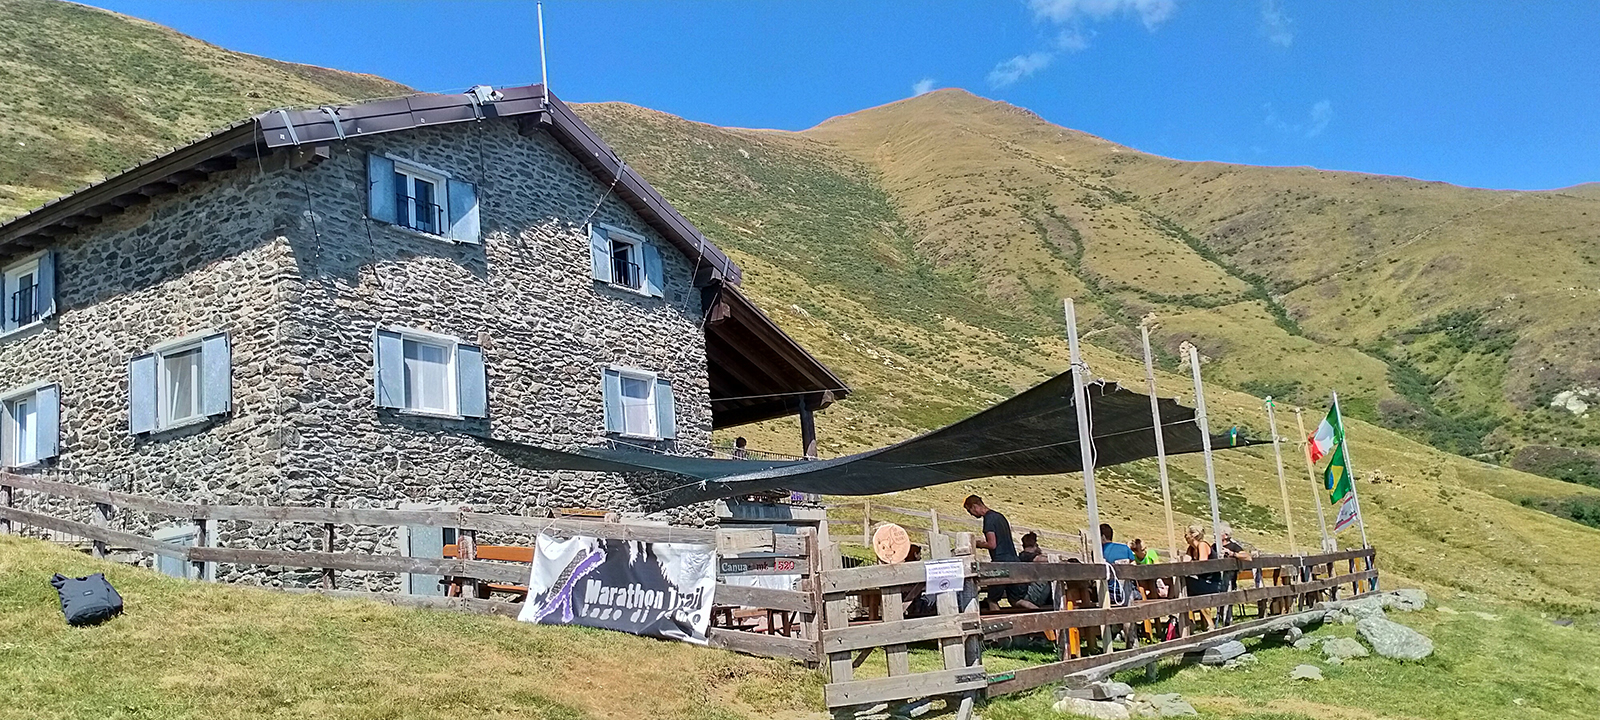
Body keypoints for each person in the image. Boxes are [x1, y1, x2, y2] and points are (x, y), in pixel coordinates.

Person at [963, 495, 1036, 610]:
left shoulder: (988, 520)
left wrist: (977, 544)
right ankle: (1039, 612)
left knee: (992, 600)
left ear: (975, 506)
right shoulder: (1000, 517)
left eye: (970, 511)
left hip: (1000, 564)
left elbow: (992, 544)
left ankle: (998, 619)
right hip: (1014, 561)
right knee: (1016, 600)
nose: (971, 514)